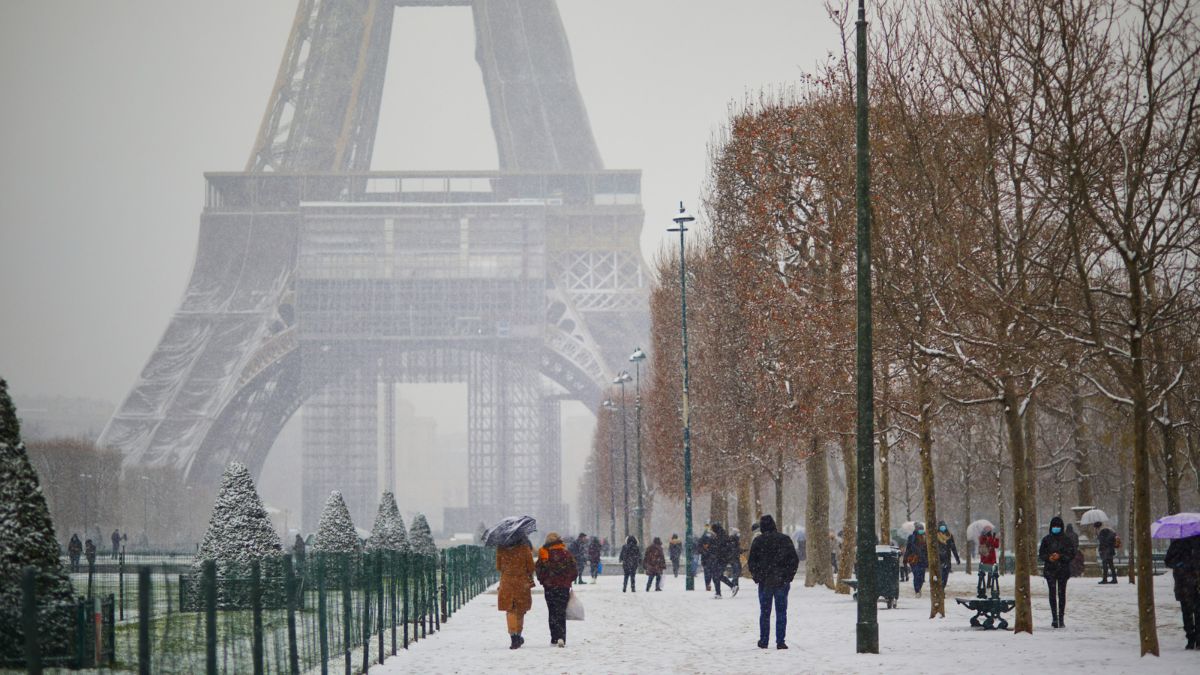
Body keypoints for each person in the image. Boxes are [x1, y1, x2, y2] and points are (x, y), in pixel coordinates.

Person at [748, 514, 800, 650]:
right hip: (781, 581)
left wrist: (757, 577)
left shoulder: (758, 541)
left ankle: (764, 640)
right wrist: (788, 576)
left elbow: (752, 562)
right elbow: (794, 560)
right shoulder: (785, 540)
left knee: (765, 612)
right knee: (781, 611)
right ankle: (780, 640)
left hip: (765, 581)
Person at [535, 532, 576, 648]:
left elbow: (538, 570)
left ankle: (554, 637)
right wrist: (568, 580)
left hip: (549, 587)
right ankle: (561, 637)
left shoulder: (544, 554)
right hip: (563, 587)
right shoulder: (566, 553)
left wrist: (543, 581)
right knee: (561, 612)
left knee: (552, 612)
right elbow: (574, 570)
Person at [496, 535, 535, 649]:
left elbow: (498, 567)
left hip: (507, 582)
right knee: (520, 610)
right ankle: (518, 634)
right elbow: (531, 567)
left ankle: (513, 636)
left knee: (510, 610)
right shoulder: (524, 549)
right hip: (521, 583)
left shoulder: (501, 549)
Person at [1038, 516, 1076, 628]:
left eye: (1058, 526)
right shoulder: (1046, 540)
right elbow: (1041, 554)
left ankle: (1061, 618)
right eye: (1054, 526)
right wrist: (1048, 558)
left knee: (1061, 594)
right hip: (1050, 570)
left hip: (1062, 571)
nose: (1056, 528)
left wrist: (1060, 556)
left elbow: (1071, 554)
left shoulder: (1066, 540)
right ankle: (1054, 618)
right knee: (1052, 594)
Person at [1164, 533, 1200, 650]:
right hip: (1194, 581)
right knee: (1197, 611)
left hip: (1183, 581)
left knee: (1187, 612)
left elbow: (1168, 561)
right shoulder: (1195, 542)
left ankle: (1191, 638)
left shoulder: (1177, 543)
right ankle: (1197, 639)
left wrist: (1180, 565)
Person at [905, 523, 929, 597]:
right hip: (914, 560)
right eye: (919, 529)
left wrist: (928, 559)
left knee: (921, 577)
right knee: (916, 575)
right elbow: (908, 548)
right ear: (916, 529)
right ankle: (917, 590)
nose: (921, 530)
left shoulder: (925, 537)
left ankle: (919, 587)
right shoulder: (911, 537)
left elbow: (927, 550)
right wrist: (905, 558)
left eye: (922, 529)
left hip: (923, 560)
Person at [976, 525, 1000, 599]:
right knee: (984, 572)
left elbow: (996, 545)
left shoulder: (990, 537)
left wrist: (996, 539)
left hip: (991, 557)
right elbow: (989, 544)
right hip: (986, 558)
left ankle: (989, 584)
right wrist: (990, 538)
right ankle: (982, 586)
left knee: (992, 572)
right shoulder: (982, 538)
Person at [934, 521, 960, 588]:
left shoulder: (949, 536)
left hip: (947, 558)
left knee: (945, 576)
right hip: (939, 558)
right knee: (940, 574)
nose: (943, 528)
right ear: (939, 527)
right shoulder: (935, 536)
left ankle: (942, 588)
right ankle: (940, 589)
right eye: (941, 526)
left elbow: (953, 548)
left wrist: (957, 558)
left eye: (944, 526)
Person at [697, 525, 715, 591]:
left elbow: (698, 548)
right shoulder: (713, 537)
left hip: (706, 558)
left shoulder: (702, 538)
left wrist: (704, 550)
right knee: (710, 572)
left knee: (707, 572)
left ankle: (708, 584)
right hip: (710, 558)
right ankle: (709, 584)